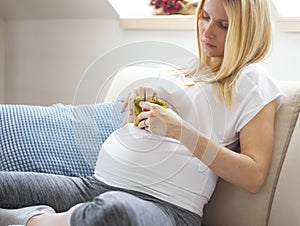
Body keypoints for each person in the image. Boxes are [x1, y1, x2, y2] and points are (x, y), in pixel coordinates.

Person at [0, 0, 285, 225]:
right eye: (205, 17)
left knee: (114, 213)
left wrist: (179, 130)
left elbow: (254, 175)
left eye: (223, 25)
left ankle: (34, 220)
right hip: (94, 186)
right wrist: (140, 105)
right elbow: (136, 133)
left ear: (247, 32)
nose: (207, 31)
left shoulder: (252, 81)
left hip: (164, 207)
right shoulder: (181, 71)